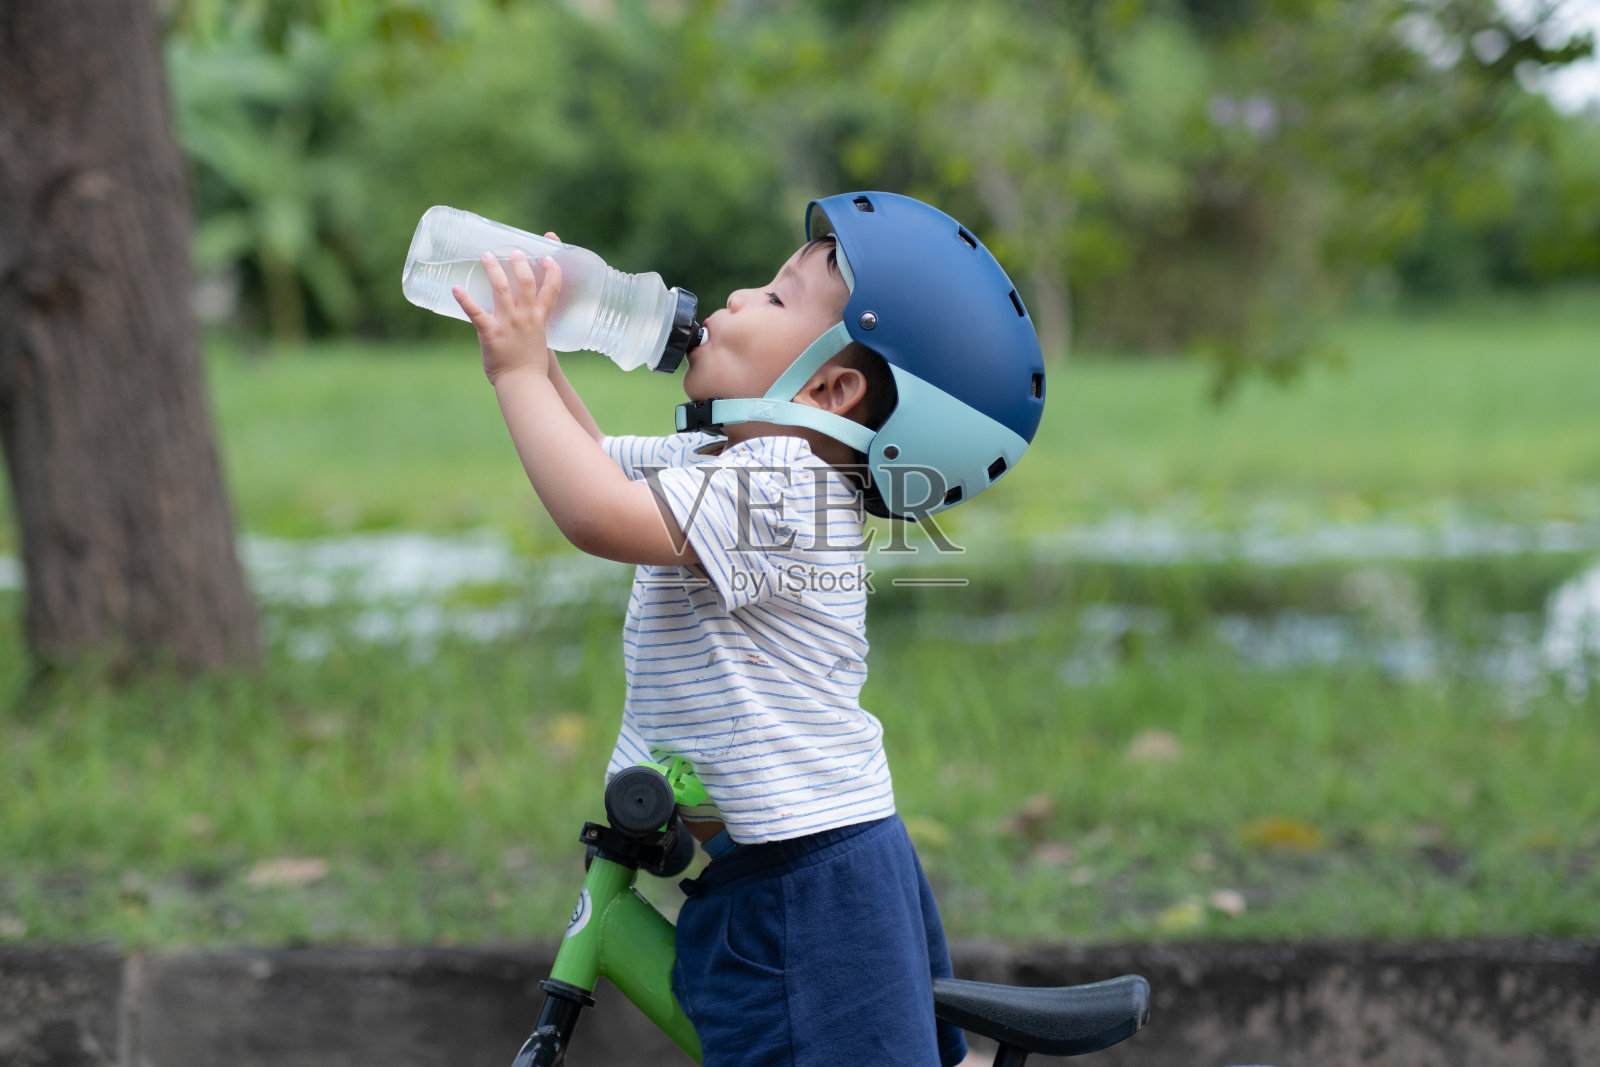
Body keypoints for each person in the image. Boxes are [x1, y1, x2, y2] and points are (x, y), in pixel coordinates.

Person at [454, 191, 1045, 1067]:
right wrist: (538, 345)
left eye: (774, 298)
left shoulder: (790, 487)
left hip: (807, 891)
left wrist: (517, 371)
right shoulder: (727, 461)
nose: (733, 299)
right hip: (802, 870)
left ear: (833, 389)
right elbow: (592, 463)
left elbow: (597, 515)